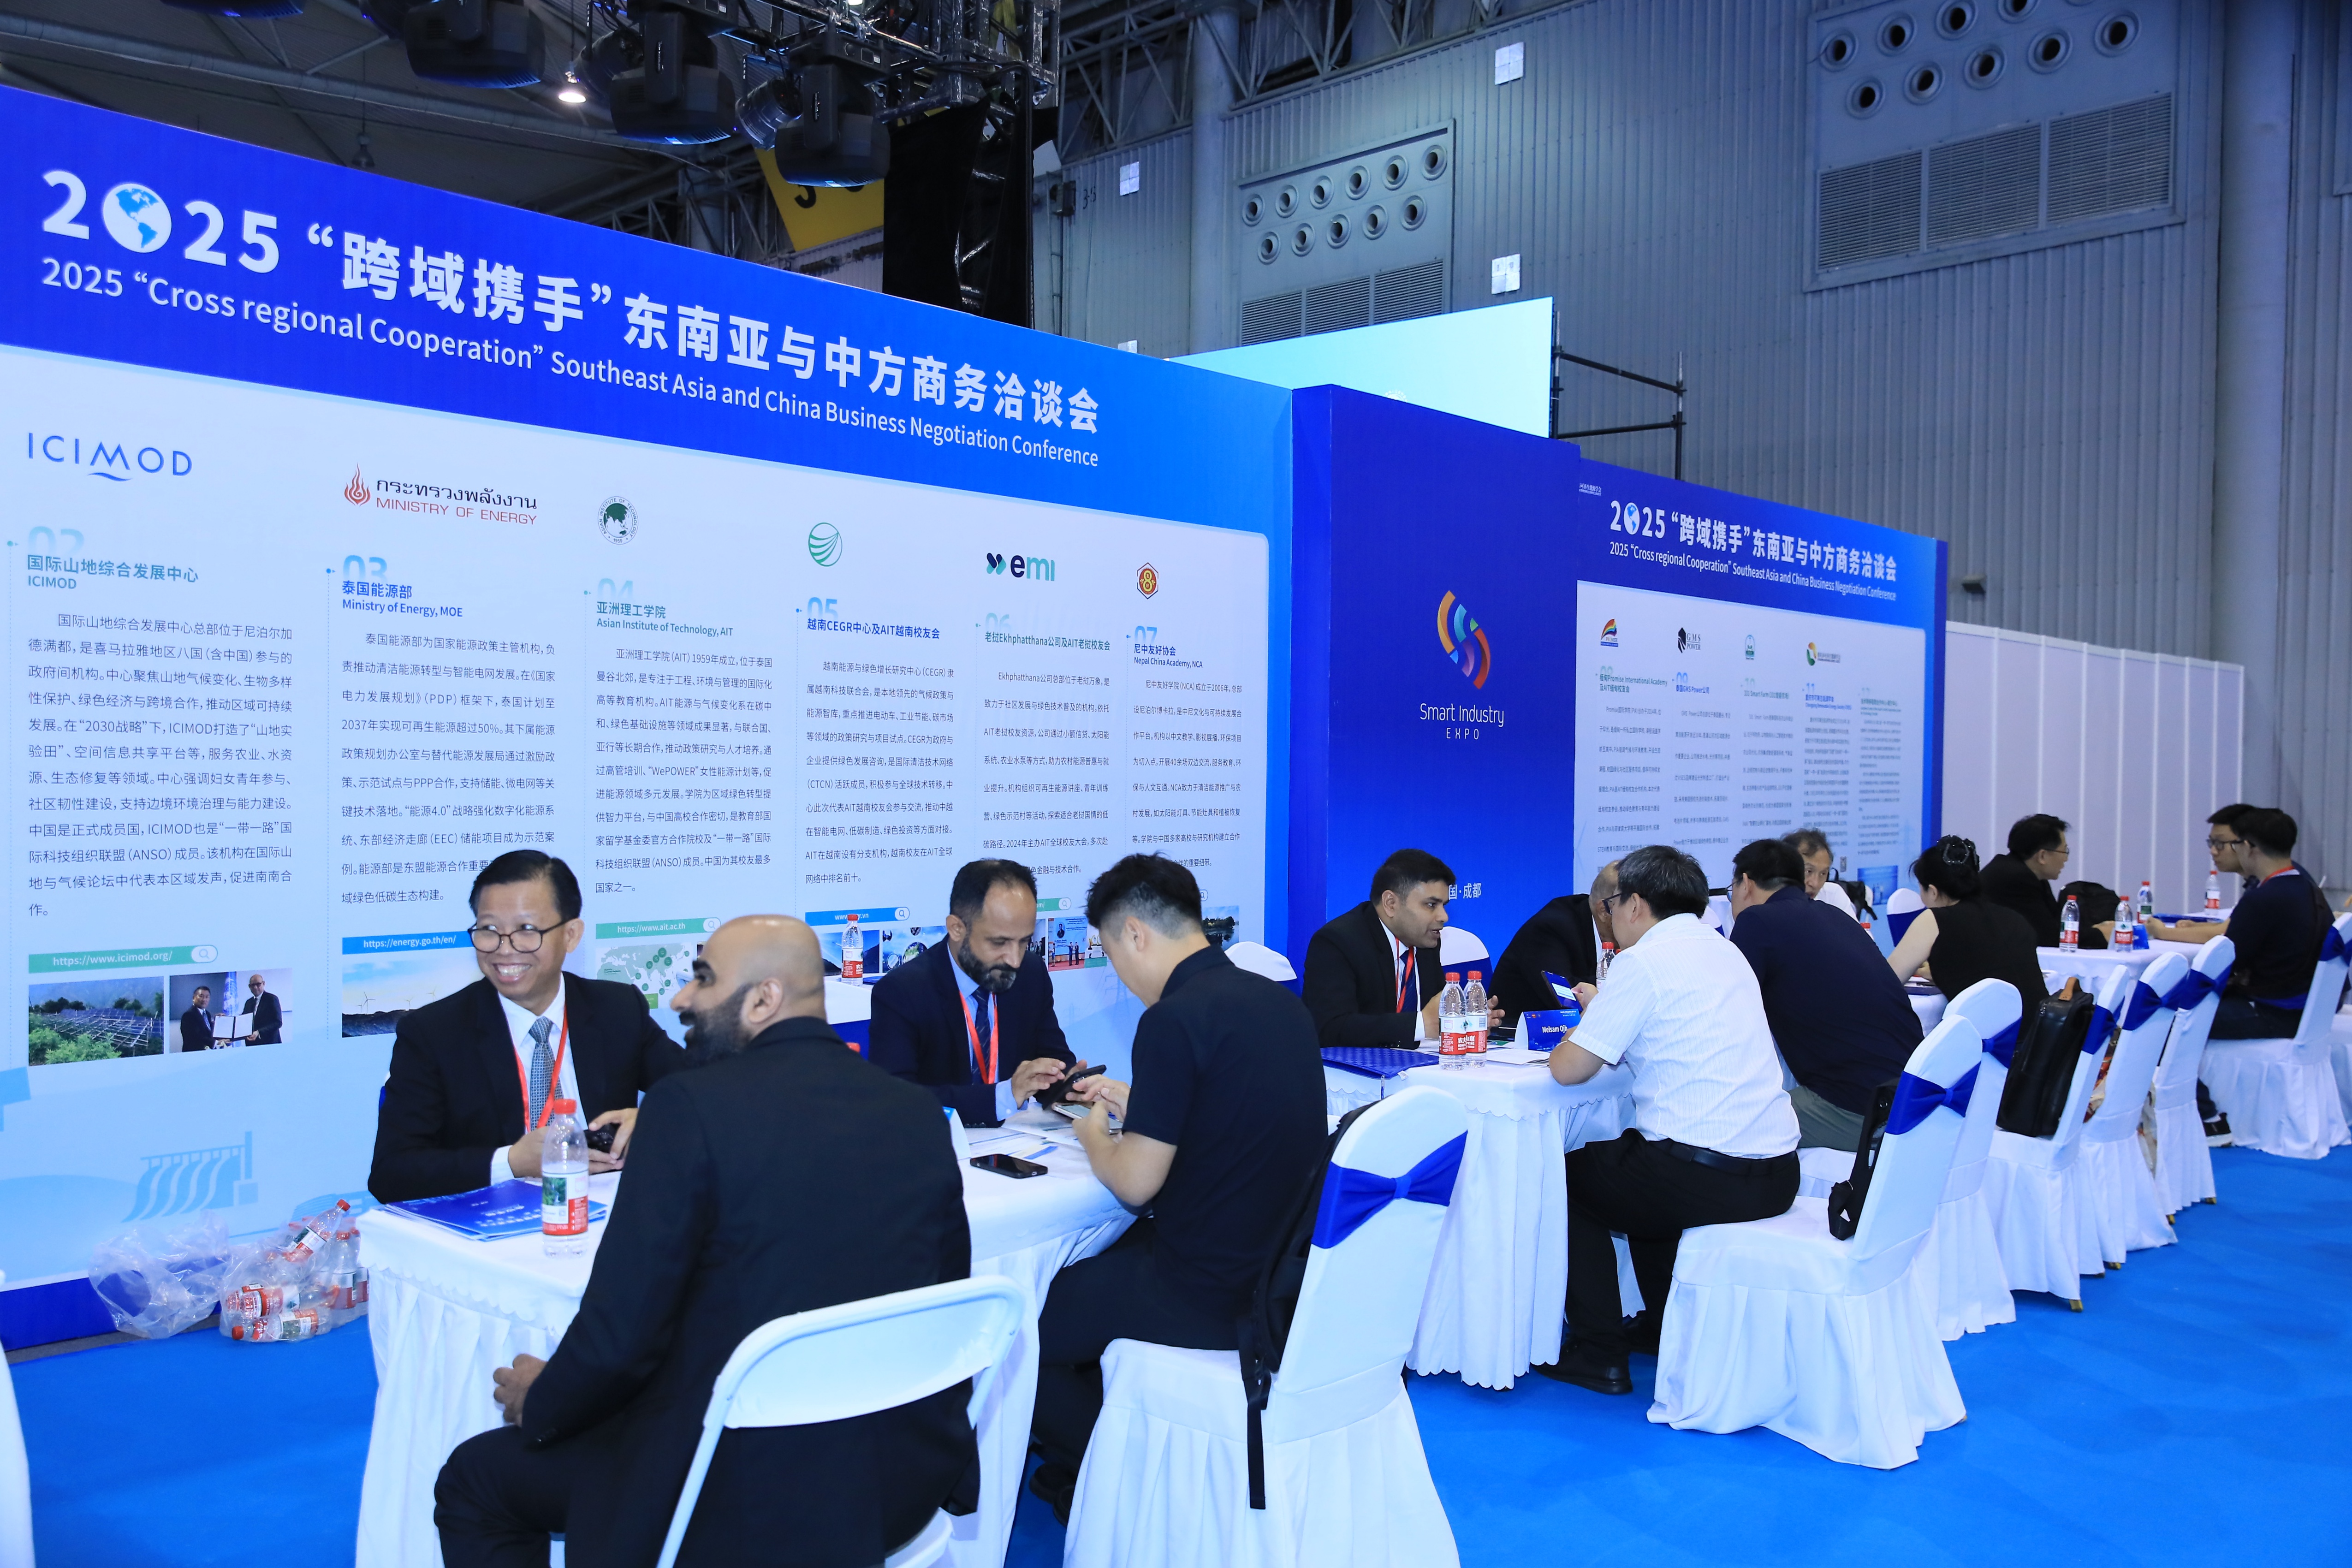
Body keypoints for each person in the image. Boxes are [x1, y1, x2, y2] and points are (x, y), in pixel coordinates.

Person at [433, 915, 978, 1568]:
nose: (681, 998)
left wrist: (544, 1401)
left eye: (704, 979)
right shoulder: (915, 1113)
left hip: (738, 1490)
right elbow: (945, 1304)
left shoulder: (688, 1108)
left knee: (475, 1479)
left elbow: (621, 1337)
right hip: (896, 1480)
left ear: (764, 999)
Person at [1026, 855, 1325, 1523]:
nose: (1120, 974)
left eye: (1111, 955)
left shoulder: (1172, 1019)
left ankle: (1118, 1479)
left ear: (1135, 933)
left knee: (1023, 1329)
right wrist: (1147, 1106)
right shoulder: (1278, 1003)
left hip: (1205, 1290)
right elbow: (1238, 1117)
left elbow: (1135, 1183)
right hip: (1280, 1276)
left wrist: (1094, 1136)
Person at [1536, 844, 1800, 1394]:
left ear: (1635, 904)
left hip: (1704, 1177)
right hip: (1777, 1172)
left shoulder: (1643, 962)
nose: (1610, 915)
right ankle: (1661, 1325)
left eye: (1612, 904)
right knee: (1634, 1163)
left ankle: (1600, 1351)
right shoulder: (1726, 950)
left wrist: (1582, 1027)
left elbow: (1568, 1069)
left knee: (1562, 1179)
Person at [368, 851, 683, 1205]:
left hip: (608, 1214)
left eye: (527, 930)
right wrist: (511, 1162)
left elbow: (704, 1091)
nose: (505, 949)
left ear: (571, 935)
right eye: (489, 931)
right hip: (494, 1221)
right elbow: (392, 1173)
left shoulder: (617, 1009)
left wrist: (653, 1118)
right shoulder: (434, 1033)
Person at [1725, 838, 1922, 1151]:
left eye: (1731, 891)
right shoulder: (1836, 916)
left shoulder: (1757, 920)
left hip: (1860, 1109)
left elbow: (1729, 1015)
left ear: (1746, 883)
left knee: (1721, 1123)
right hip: (1915, 1099)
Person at [868, 858, 1080, 1126]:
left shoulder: (1031, 974)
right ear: (957, 929)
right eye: (999, 943)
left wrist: (1072, 1088)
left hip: (1019, 1141)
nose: (1014, 960)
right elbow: (895, 1100)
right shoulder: (903, 992)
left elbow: (1053, 1062)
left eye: (1025, 941)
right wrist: (1004, 1096)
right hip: (943, 1141)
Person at [1301, 848, 1501, 1047]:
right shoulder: (1337, 942)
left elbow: (1435, 1010)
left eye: (1444, 905)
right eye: (1431, 905)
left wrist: (1464, 1022)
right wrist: (1422, 1025)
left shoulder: (1427, 941)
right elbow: (1331, 1028)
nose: (1444, 917)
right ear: (1391, 904)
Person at [2205, 808, 2331, 1041]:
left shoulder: (2262, 899)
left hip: (2275, 1012)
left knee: (2165, 1017)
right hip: (2307, 1009)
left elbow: (2227, 962)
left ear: (2249, 847)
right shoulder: (2308, 887)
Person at [1886, 836, 2049, 1007]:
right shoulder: (2014, 918)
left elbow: (1887, 981)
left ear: (1933, 892)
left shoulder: (1934, 920)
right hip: (2038, 1022)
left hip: (1989, 1023)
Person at [1980, 814, 2111, 948]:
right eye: (2064, 851)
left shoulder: (2031, 875)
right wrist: (2100, 934)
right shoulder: (2015, 880)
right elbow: (2049, 938)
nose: (2066, 859)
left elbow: (2055, 924)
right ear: (2042, 856)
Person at [1782, 828, 1857, 919]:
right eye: (1808, 871)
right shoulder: (1769, 898)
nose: (1815, 884)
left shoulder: (1833, 895)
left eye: (1823, 874)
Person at [239, 972, 283, 1045]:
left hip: (270, 1043)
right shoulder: (249, 1003)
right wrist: (227, 1018)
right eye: (253, 985)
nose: (255, 987)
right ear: (249, 987)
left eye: (258, 984)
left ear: (264, 984)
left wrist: (259, 1033)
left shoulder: (272, 999)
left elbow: (278, 1023)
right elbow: (243, 1020)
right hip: (252, 1044)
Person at [177, 985, 214, 1054]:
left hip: (208, 1054)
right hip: (194, 1055)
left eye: (207, 997)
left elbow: (209, 1033)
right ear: (194, 998)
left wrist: (220, 1022)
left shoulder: (207, 1014)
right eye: (201, 996)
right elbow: (196, 1037)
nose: (204, 1000)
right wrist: (215, 1043)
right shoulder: (189, 1015)